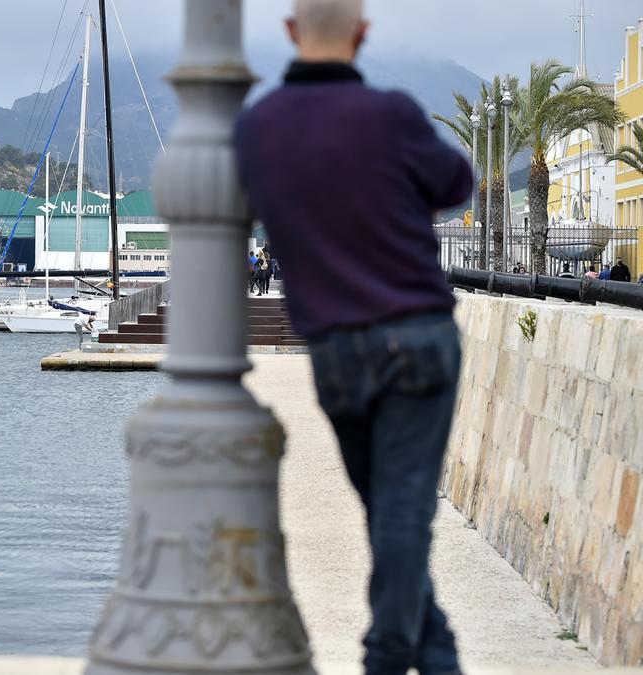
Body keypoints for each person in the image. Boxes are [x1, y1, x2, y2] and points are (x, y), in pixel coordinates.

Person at [234, 1, 470, 673]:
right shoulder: (392, 115)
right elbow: (457, 181)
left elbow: (242, 203)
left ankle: (437, 657)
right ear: (362, 36)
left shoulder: (258, 128)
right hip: (418, 336)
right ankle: (386, 657)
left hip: (337, 350)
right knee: (401, 514)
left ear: (289, 33)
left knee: (388, 515)